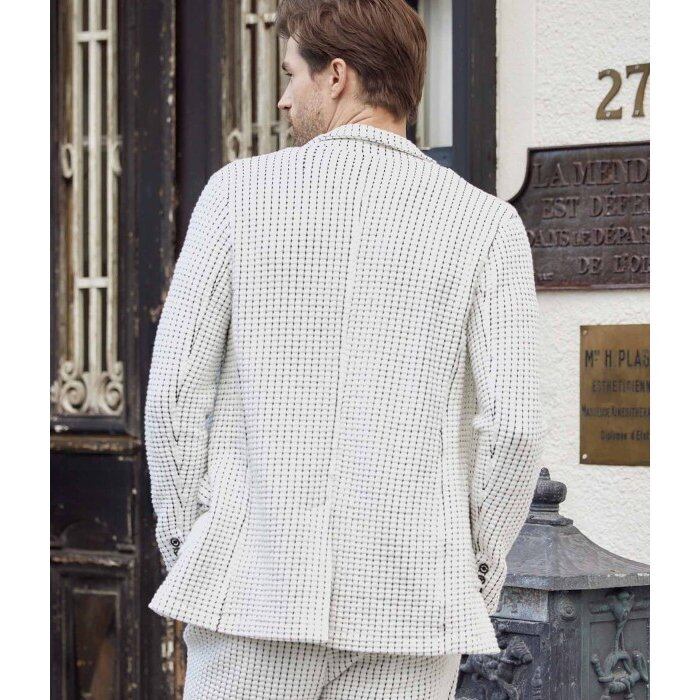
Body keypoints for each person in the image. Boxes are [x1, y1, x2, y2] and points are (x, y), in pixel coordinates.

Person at [144, 0, 544, 697]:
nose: (283, 97)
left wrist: (191, 545)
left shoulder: (237, 196)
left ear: (336, 76)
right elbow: (513, 427)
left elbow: (176, 394)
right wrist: (474, 572)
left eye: (290, 74)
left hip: (253, 595)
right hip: (413, 604)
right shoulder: (486, 224)